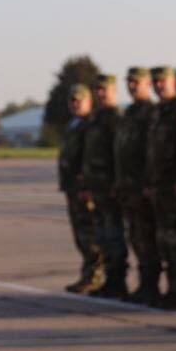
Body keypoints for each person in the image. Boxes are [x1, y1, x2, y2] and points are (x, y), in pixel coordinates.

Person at [147, 66, 176, 309]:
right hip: (160, 186)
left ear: (173, 82)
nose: (158, 85)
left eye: (162, 81)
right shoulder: (158, 112)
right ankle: (171, 287)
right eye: (155, 82)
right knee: (164, 240)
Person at [116, 67, 160, 304]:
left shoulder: (150, 113)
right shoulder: (129, 113)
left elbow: (152, 152)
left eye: (137, 82)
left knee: (147, 237)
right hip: (129, 187)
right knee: (136, 237)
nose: (132, 86)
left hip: (144, 187)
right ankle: (144, 284)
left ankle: (151, 285)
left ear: (147, 85)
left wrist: (148, 182)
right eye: (130, 82)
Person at [82, 74, 127, 298]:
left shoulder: (116, 117)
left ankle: (118, 281)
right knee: (103, 237)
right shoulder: (96, 118)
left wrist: (117, 183)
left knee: (115, 235)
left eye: (105, 89)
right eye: (97, 89)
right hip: (97, 188)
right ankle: (111, 280)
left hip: (111, 188)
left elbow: (120, 154)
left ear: (114, 91)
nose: (101, 93)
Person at [60, 85, 103, 294]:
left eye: (80, 100)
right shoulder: (73, 125)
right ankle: (88, 274)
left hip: (84, 189)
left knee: (90, 234)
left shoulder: (90, 126)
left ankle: (95, 276)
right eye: (72, 101)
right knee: (80, 235)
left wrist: (87, 185)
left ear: (89, 102)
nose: (76, 104)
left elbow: (90, 159)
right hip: (72, 188)